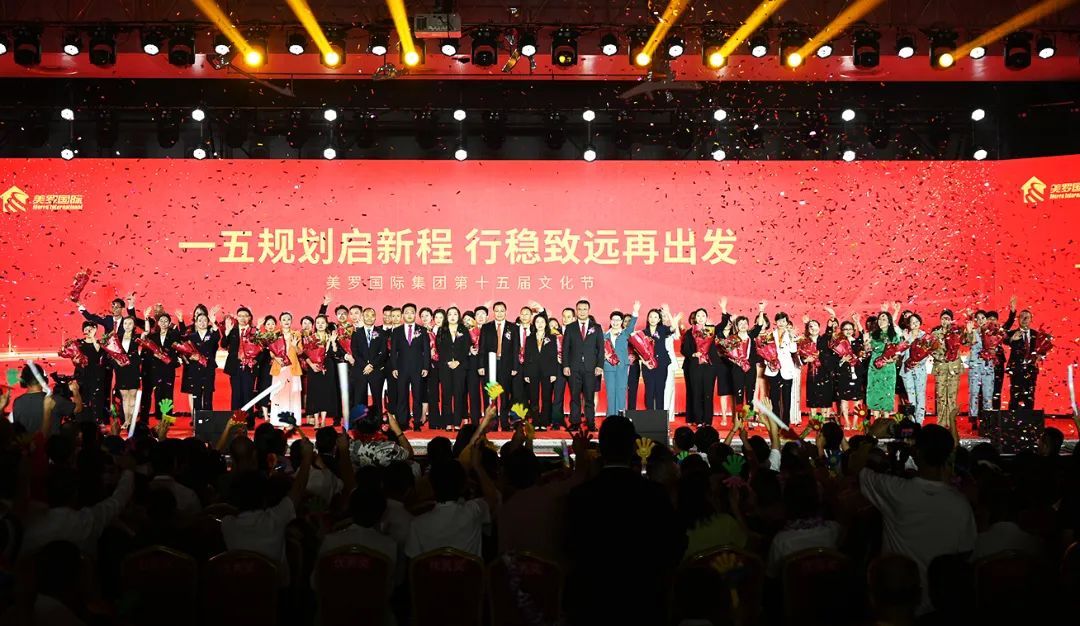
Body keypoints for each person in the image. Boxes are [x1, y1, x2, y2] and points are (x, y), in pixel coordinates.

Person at [564, 416, 685, 625]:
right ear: (632, 449)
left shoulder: (580, 495)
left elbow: (569, 547)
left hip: (592, 602)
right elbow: (674, 546)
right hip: (643, 601)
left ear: (601, 448)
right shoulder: (654, 494)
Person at [857, 424, 976, 614]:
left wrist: (871, 439)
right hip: (941, 606)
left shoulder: (896, 492)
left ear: (917, 452)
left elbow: (862, 473)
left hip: (897, 603)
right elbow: (966, 553)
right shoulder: (960, 504)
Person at [221, 438, 313, 587]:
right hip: (276, 592)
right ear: (265, 498)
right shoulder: (275, 518)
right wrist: (307, 457)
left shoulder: (227, 524)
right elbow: (298, 489)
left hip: (238, 591)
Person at [404, 449, 498, 559]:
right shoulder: (473, 511)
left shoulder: (417, 524)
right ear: (464, 486)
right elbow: (493, 497)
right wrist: (478, 466)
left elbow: (412, 561)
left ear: (431, 485)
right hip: (470, 571)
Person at [562, 299, 605, 431]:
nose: (582, 311)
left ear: (588, 310)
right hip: (574, 368)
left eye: (584, 309)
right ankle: (575, 422)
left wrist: (599, 366)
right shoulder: (570, 327)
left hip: (590, 368)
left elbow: (601, 349)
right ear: (576, 311)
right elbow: (565, 348)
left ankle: (590, 423)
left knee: (589, 398)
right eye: (579, 309)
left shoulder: (596, 327)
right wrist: (565, 365)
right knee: (574, 397)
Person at [390, 303, 430, 431]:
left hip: (418, 368)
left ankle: (417, 422)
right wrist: (394, 368)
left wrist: (426, 367)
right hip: (401, 369)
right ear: (403, 315)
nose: (409, 315)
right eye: (406, 312)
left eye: (412, 312)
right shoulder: (396, 331)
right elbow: (393, 351)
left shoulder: (422, 330)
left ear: (415, 314)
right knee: (402, 396)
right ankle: (403, 422)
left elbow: (426, 350)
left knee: (417, 396)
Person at [478, 301, 516, 430]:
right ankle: (492, 423)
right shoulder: (486, 327)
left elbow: (515, 349)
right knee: (491, 395)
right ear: (493, 312)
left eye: (502, 311)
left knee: (505, 396)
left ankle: (505, 423)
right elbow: (482, 348)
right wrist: (481, 366)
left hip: (506, 366)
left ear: (506, 312)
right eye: (497, 311)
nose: (499, 313)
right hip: (490, 365)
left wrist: (515, 367)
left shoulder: (513, 327)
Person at [522, 313, 560, 430]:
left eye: (542, 322)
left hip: (547, 371)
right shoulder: (529, 338)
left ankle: (544, 421)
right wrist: (526, 373)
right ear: (534, 324)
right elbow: (526, 356)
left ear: (546, 324)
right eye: (537, 322)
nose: (540, 324)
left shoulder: (552, 338)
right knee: (533, 397)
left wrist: (553, 373)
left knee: (546, 397)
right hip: (532, 371)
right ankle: (535, 421)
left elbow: (554, 356)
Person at [436, 307, 471, 430]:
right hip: (445, 366)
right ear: (447, 317)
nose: (452, 316)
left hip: (460, 366)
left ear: (459, 316)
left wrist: (458, 361)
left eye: (455, 314)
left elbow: (466, 347)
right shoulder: (442, 330)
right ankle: (447, 422)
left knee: (458, 394)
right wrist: (448, 362)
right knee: (446, 395)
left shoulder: (463, 329)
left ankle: (456, 423)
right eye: (450, 314)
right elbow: (439, 347)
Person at [603, 301, 640, 417]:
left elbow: (632, 325)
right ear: (610, 321)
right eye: (613, 320)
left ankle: (620, 416)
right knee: (611, 392)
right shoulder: (604, 336)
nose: (615, 322)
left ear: (622, 322)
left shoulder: (625, 333)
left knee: (621, 390)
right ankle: (611, 417)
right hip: (608, 366)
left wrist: (635, 311)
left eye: (618, 320)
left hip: (622, 366)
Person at [304, 315, 342, 428]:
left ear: (326, 325)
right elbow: (304, 354)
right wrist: (311, 365)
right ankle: (316, 421)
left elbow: (335, 352)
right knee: (315, 394)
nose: (320, 325)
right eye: (318, 322)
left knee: (326, 393)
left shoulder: (330, 337)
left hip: (328, 367)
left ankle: (324, 420)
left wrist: (333, 341)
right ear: (315, 325)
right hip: (314, 368)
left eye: (323, 322)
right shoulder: (310, 338)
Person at [930, 309, 964, 433]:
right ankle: (941, 424)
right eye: (943, 318)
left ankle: (951, 424)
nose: (945, 321)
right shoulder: (935, 334)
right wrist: (942, 357)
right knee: (941, 396)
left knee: (952, 397)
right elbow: (930, 349)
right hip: (941, 367)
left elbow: (967, 341)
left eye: (948, 319)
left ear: (951, 320)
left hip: (954, 368)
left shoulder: (957, 332)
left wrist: (969, 331)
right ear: (940, 320)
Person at [866, 307, 903, 419]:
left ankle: (886, 420)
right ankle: (876, 419)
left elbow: (898, 352)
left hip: (888, 367)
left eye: (884, 319)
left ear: (889, 322)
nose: (881, 321)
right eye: (880, 319)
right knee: (875, 391)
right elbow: (867, 350)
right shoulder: (873, 335)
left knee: (887, 391)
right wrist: (866, 345)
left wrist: (893, 359)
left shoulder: (894, 336)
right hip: (875, 367)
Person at [764, 312, 800, 425]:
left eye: (783, 321)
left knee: (786, 397)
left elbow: (793, 350)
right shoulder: (770, 335)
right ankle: (775, 422)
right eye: (779, 321)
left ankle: (785, 423)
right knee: (774, 397)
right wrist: (768, 361)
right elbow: (765, 351)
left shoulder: (790, 334)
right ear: (776, 322)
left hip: (787, 369)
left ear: (787, 322)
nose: (781, 323)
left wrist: (792, 338)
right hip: (773, 369)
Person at [222, 306, 259, 415]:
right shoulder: (232, 331)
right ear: (237, 318)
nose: (243, 318)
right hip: (235, 366)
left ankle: (249, 420)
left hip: (249, 367)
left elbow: (260, 349)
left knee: (248, 394)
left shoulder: (254, 331)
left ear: (250, 318)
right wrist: (227, 332)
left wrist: (255, 361)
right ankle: (235, 420)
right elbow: (223, 345)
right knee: (236, 394)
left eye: (245, 316)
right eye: (240, 316)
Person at [180, 311, 219, 415]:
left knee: (208, 397)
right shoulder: (191, 337)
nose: (202, 323)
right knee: (196, 396)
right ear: (196, 323)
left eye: (205, 320)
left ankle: (208, 420)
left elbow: (217, 337)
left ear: (208, 322)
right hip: (195, 369)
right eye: (200, 320)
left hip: (208, 369)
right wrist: (191, 357)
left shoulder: (212, 335)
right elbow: (184, 351)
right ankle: (197, 421)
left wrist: (214, 322)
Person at [268, 312, 303, 426]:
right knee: (279, 393)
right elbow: (271, 352)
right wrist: (277, 359)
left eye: (288, 319)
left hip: (292, 367)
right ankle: (278, 420)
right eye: (284, 319)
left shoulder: (296, 334)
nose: (286, 321)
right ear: (280, 322)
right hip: (279, 367)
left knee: (292, 394)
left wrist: (295, 345)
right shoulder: (275, 334)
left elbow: (300, 352)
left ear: (291, 321)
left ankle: (292, 421)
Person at [681, 308, 715, 426]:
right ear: (695, 318)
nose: (700, 318)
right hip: (695, 365)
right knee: (696, 393)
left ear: (706, 318)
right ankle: (699, 420)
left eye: (703, 316)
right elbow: (684, 349)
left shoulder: (712, 331)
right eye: (698, 316)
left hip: (709, 366)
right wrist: (693, 354)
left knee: (708, 393)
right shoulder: (689, 333)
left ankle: (708, 421)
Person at [144, 312, 180, 419]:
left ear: (169, 323)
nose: (164, 323)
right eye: (161, 321)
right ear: (158, 323)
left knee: (168, 392)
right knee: (158, 392)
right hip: (156, 368)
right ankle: (159, 416)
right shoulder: (153, 336)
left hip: (169, 367)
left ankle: (167, 416)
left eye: (166, 321)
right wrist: (154, 355)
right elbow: (148, 351)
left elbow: (179, 347)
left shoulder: (174, 335)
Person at [351, 307, 387, 413]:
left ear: (375, 317)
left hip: (376, 371)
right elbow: (355, 352)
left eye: (372, 315)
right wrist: (364, 365)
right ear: (362, 317)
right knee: (359, 399)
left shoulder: (381, 333)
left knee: (377, 399)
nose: (369, 318)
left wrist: (372, 365)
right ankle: (360, 421)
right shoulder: (356, 333)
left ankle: (378, 420)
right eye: (367, 315)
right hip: (360, 370)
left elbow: (383, 352)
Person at [109, 316, 143, 427]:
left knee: (132, 395)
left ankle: (131, 421)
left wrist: (146, 319)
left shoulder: (137, 338)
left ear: (134, 326)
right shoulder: (117, 338)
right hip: (121, 369)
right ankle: (126, 421)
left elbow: (147, 333)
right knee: (124, 397)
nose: (127, 326)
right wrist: (117, 362)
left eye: (130, 323)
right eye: (125, 323)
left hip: (133, 369)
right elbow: (112, 354)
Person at [803, 314, 839, 420]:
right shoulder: (804, 342)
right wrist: (806, 360)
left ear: (819, 328)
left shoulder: (824, 339)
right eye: (810, 326)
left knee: (825, 399)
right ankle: (813, 422)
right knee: (812, 398)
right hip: (812, 373)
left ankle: (825, 422)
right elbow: (800, 358)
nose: (813, 328)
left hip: (825, 372)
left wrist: (831, 319)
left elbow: (829, 331)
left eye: (815, 325)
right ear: (808, 329)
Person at [834, 317, 866, 430]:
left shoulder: (858, 342)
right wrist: (843, 360)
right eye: (845, 329)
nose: (848, 331)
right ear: (842, 330)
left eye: (850, 329)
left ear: (853, 330)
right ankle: (847, 422)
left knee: (857, 399)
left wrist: (860, 357)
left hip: (857, 373)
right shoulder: (838, 344)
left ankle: (855, 422)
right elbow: (834, 361)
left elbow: (863, 354)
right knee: (844, 398)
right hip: (844, 374)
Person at [1006, 309, 1041, 411]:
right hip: (1016, 369)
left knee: (1029, 395)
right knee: (1015, 395)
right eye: (1022, 317)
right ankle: (1012, 418)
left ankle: (1028, 418)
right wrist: (1012, 339)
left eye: (1027, 317)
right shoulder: (1012, 333)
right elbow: (1002, 338)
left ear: (1031, 319)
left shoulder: (1036, 334)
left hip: (1031, 369)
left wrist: (1040, 356)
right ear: (1018, 319)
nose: (1024, 319)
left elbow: (1042, 350)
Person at [899, 313, 930, 423]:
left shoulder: (924, 336)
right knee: (910, 395)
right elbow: (900, 352)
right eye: (912, 322)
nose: (915, 324)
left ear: (920, 323)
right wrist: (907, 340)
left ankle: (919, 421)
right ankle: (912, 421)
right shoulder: (905, 335)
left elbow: (927, 353)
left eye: (917, 321)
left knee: (920, 395)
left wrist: (918, 363)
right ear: (909, 324)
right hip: (907, 370)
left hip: (920, 369)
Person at [74, 321, 106, 422]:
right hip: (81, 373)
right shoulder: (78, 343)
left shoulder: (98, 343)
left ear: (95, 330)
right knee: (82, 397)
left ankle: (96, 420)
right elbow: (74, 357)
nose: (88, 331)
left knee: (95, 397)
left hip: (95, 374)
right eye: (86, 329)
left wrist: (92, 338)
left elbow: (98, 351)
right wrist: (74, 361)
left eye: (91, 329)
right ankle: (82, 419)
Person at [967, 311, 995, 428]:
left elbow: (995, 347)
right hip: (975, 366)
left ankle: (987, 420)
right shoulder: (972, 331)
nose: (980, 320)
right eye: (977, 318)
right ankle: (973, 419)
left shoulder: (992, 332)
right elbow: (966, 341)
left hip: (988, 366)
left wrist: (992, 351)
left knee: (988, 394)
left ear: (986, 319)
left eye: (983, 318)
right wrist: (969, 331)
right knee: (974, 393)